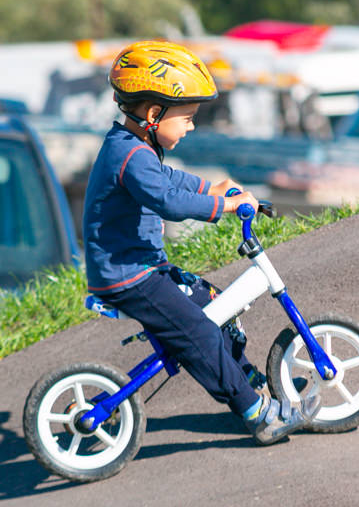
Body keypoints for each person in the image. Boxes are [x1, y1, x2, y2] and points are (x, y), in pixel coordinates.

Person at [83, 40, 320, 445]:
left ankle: (250, 383)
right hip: (128, 278)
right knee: (198, 333)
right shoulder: (132, 156)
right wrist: (223, 207)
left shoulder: (135, 146)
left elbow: (171, 181)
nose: (192, 126)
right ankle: (258, 414)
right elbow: (167, 200)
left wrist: (215, 187)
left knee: (215, 308)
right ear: (154, 114)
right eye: (188, 117)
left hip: (142, 269)